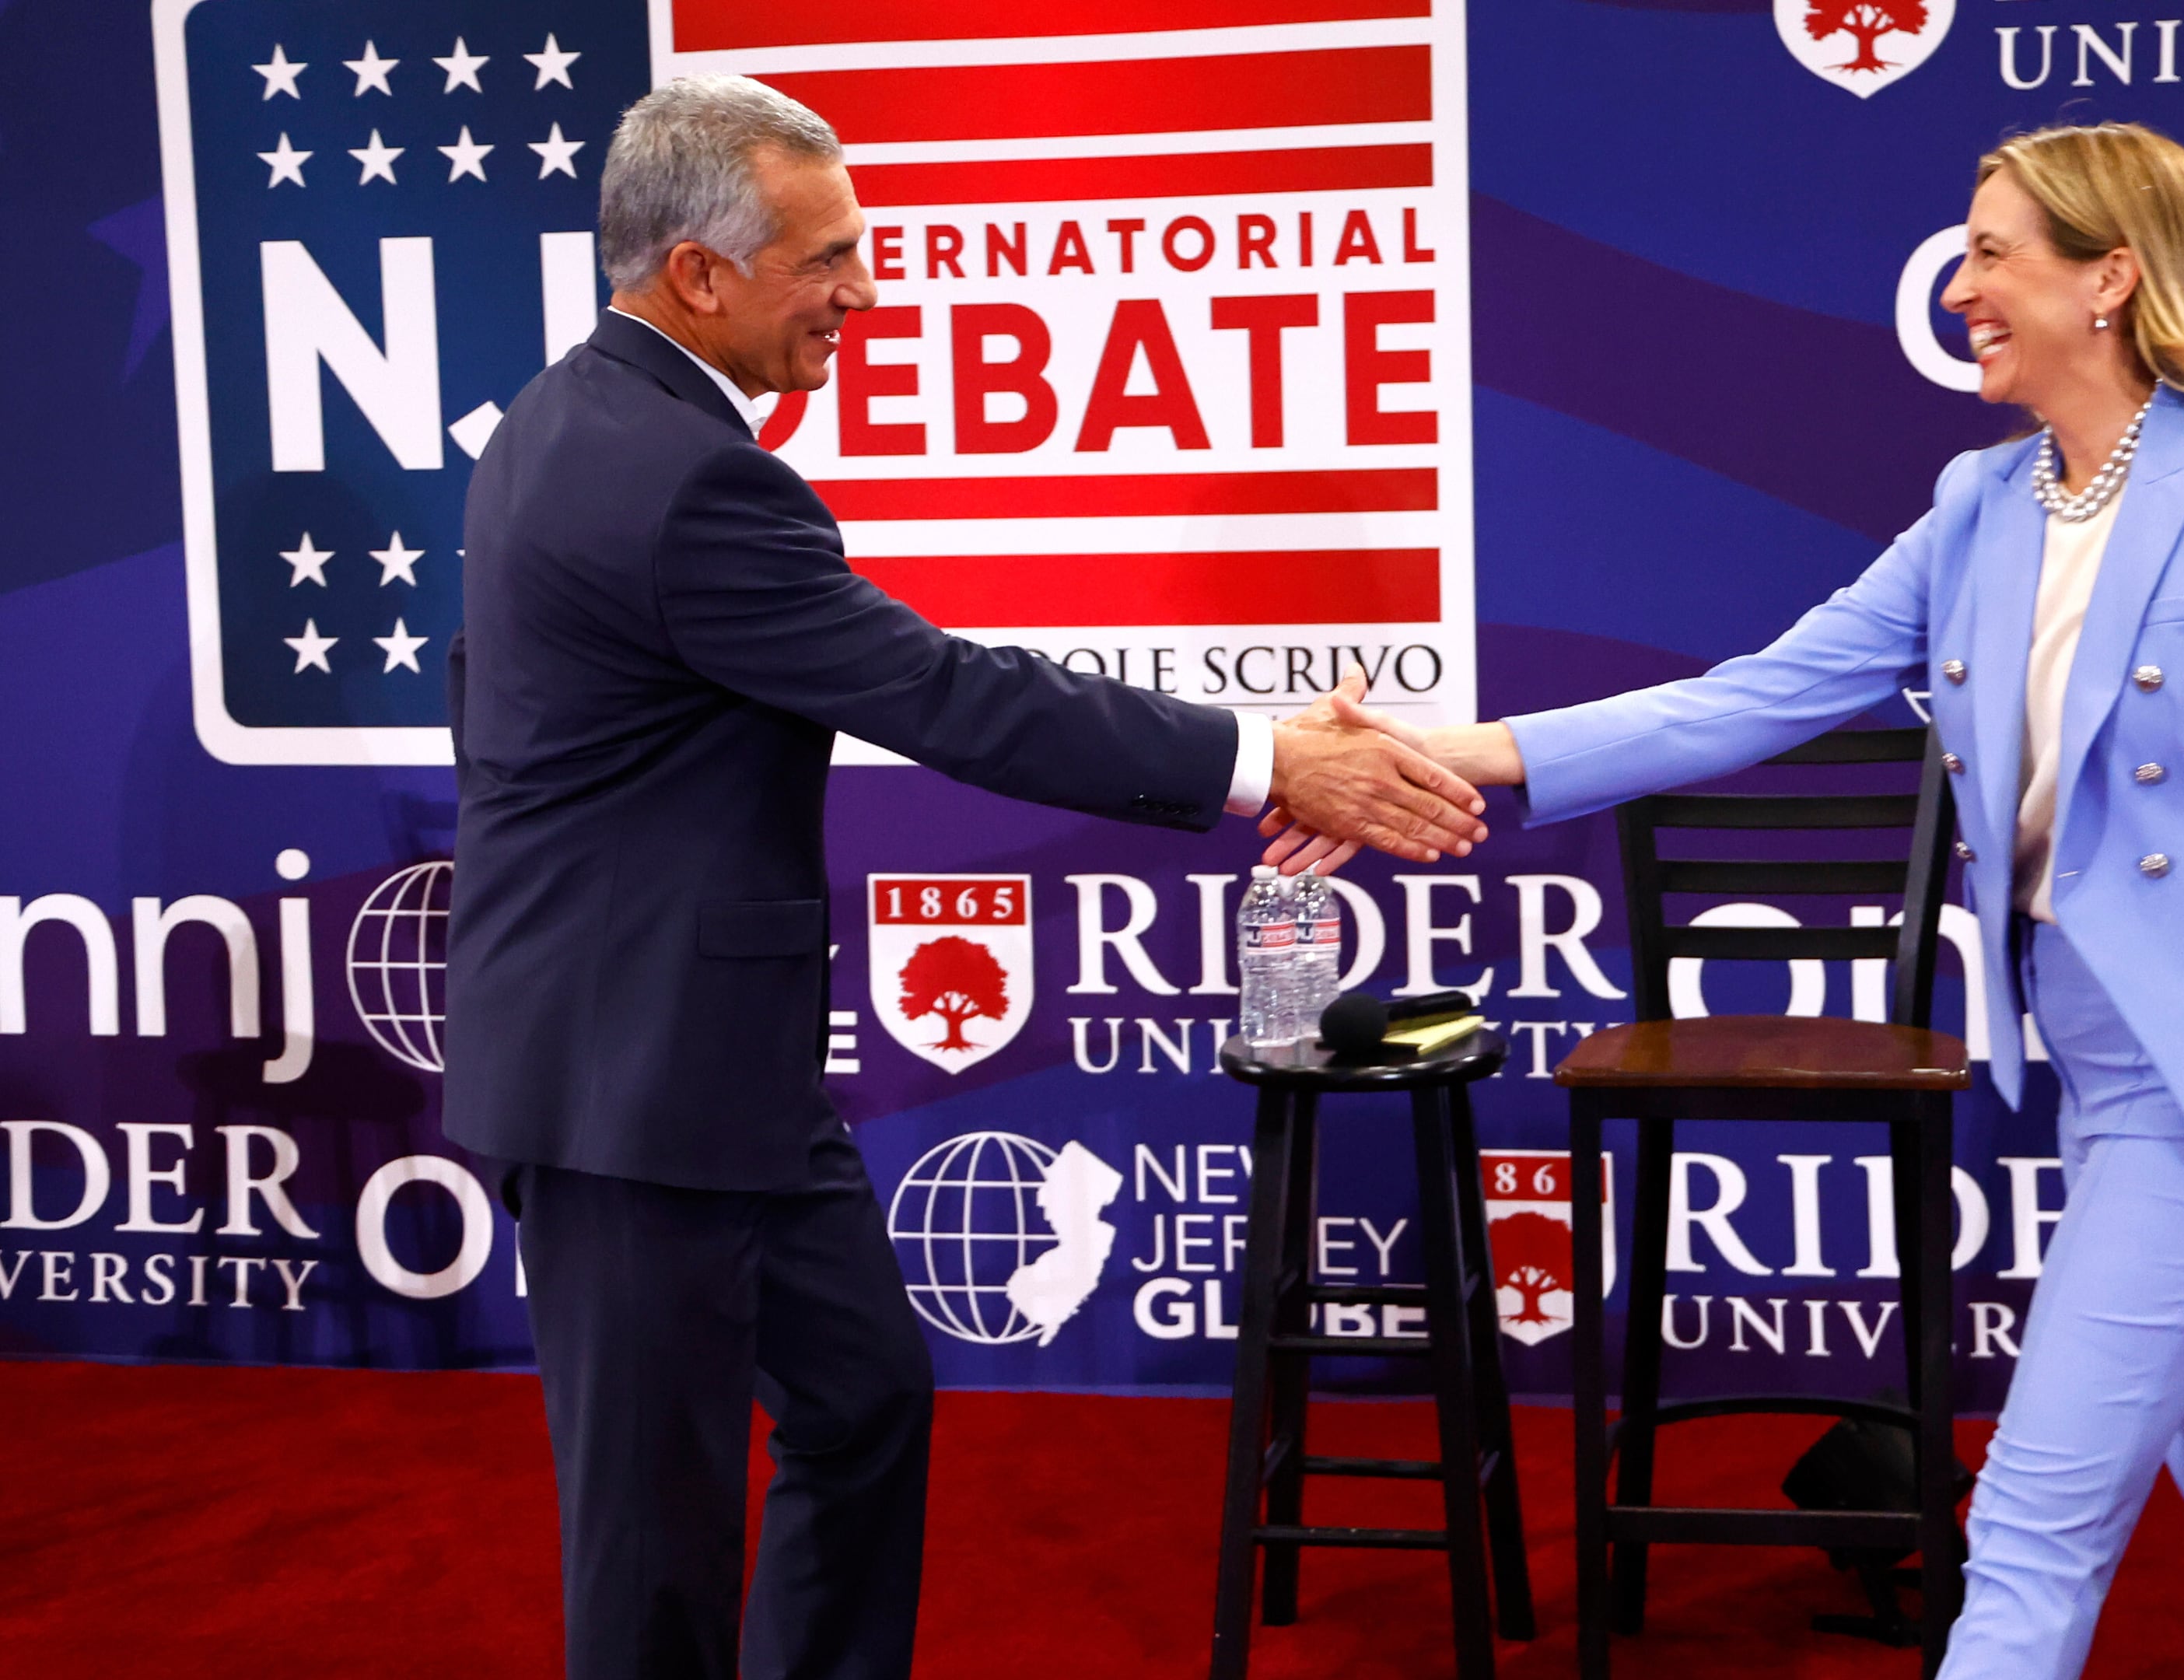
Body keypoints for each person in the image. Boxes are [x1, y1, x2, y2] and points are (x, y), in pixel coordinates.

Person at [1268, 122, 2184, 1678]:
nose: (1960, 284)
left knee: (2035, 1525)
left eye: (1993, 251)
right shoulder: (1981, 506)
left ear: (2109, 275)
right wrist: (1447, 756)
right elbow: (1757, 695)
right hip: (2104, 1063)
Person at [443, 76, 1486, 1680]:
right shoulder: (673, 476)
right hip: (624, 1081)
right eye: (826, 260)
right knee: (656, 1545)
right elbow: (947, 697)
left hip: (711, 1064)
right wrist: (1274, 760)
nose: (865, 291)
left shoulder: (575, 420)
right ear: (700, 275)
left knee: (863, 1402)